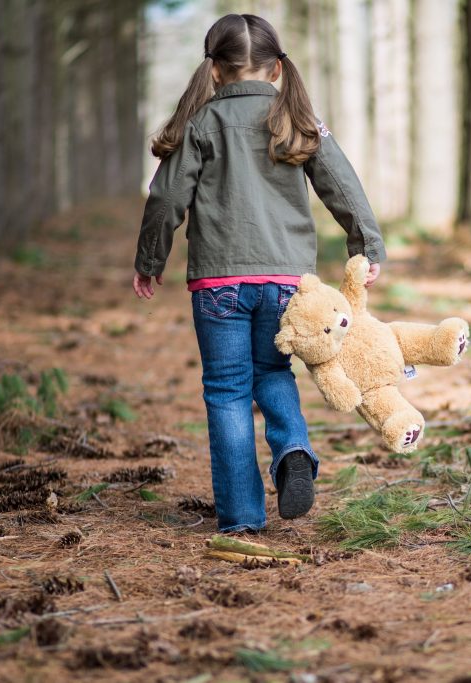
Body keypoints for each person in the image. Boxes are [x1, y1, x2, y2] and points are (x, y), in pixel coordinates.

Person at [132, 13, 386, 533]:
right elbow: (341, 183)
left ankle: (242, 518)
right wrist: (366, 244)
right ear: (274, 70)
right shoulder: (296, 118)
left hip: (218, 284)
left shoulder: (201, 122)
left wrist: (150, 261)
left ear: (217, 72)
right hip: (288, 286)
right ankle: (293, 449)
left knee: (226, 391)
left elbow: (165, 199)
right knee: (274, 373)